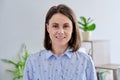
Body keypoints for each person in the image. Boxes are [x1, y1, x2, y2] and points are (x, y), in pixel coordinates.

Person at [23, 4, 97, 80]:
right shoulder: (32, 62)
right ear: (48, 28)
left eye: (66, 26)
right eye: (55, 26)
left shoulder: (86, 61)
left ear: (73, 29)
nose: (61, 31)